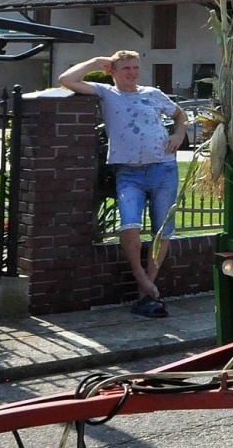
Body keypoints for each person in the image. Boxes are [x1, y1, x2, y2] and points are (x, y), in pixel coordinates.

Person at [60, 50, 188, 318]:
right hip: (129, 173)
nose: (132, 72)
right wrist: (96, 61)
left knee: (162, 230)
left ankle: (146, 296)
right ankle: (143, 279)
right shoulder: (106, 93)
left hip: (163, 169)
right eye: (126, 68)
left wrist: (178, 135)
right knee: (129, 226)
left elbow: (181, 115)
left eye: (135, 67)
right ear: (114, 72)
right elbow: (66, 79)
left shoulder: (153, 94)